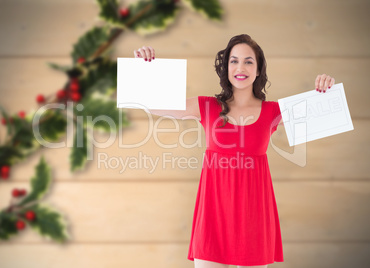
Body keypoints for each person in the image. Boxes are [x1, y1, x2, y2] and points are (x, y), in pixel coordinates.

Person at [133, 34, 335, 268]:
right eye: (234, 61)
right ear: (226, 68)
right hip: (212, 216)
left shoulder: (273, 111)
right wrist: (144, 66)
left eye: (249, 61)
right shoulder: (207, 106)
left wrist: (325, 87)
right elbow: (147, 101)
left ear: (258, 70)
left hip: (254, 217)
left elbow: (327, 113)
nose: (241, 67)